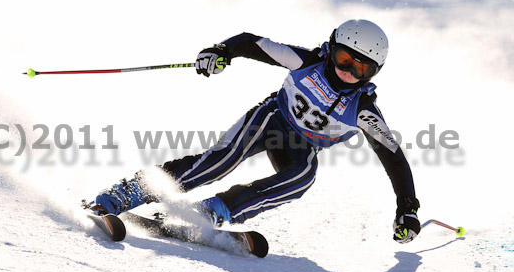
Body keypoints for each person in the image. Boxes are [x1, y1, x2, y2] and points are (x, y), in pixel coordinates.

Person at [88, 19, 421, 244]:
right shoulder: (306, 62)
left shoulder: (364, 110)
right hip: (271, 119)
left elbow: (393, 156)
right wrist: (221, 51)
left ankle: (210, 213)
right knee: (218, 162)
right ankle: (119, 196)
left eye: (361, 67)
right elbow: (252, 43)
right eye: (345, 57)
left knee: (303, 177)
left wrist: (407, 208)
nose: (349, 71)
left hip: (300, 146)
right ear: (331, 48)